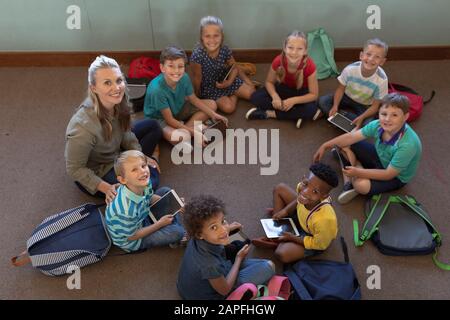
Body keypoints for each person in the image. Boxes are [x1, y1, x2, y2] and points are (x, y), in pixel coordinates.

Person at [65, 55, 162, 204]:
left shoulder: (118, 99)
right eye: (107, 83)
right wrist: (106, 188)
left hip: (116, 150)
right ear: (94, 88)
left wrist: (140, 157)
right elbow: (75, 168)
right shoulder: (82, 127)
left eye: (118, 80)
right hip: (99, 170)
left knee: (154, 127)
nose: (116, 88)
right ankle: (150, 161)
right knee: (149, 183)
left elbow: (126, 132)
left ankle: (138, 165)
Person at [314, 93, 422, 204]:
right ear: (378, 113)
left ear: (405, 117)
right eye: (384, 114)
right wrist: (325, 145)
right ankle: (352, 170)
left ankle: (351, 172)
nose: (387, 119)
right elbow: (351, 137)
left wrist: (359, 172)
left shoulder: (408, 145)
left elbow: (388, 174)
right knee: (344, 143)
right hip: (380, 157)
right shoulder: (377, 125)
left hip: (396, 177)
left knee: (362, 186)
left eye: (394, 115)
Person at [177, 195, 275, 300]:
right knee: (269, 266)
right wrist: (238, 259)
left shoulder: (197, 236)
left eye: (223, 221)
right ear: (200, 234)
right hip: (208, 295)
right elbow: (225, 289)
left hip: (188, 286)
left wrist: (229, 227)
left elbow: (219, 230)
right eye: (214, 227)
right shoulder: (210, 264)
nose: (224, 230)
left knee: (262, 264)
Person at [143, 45, 228, 149]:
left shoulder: (184, 77)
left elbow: (193, 99)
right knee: (180, 136)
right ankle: (191, 130)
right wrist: (193, 133)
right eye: (171, 66)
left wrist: (213, 114)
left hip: (178, 108)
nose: (176, 71)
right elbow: (169, 119)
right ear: (162, 68)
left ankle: (186, 127)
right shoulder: (157, 90)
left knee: (212, 104)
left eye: (180, 66)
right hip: (160, 118)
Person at [252, 163, 339, 263]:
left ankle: (277, 241)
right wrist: (285, 211)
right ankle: (278, 236)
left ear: (324, 196)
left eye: (315, 191)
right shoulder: (303, 190)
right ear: (304, 178)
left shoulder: (325, 220)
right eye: (306, 184)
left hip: (311, 237)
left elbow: (319, 244)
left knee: (282, 254)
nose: (305, 191)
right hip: (301, 217)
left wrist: (293, 238)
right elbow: (298, 199)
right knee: (280, 188)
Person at [105, 150, 185, 252]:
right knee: (177, 232)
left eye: (143, 166)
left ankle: (170, 224)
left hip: (141, 216)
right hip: (134, 240)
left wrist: (170, 202)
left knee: (166, 191)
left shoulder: (144, 182)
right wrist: (159, 224)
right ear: (123, 180)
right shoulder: (125, 210)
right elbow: (132, 236)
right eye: (134, 170)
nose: (143, 171)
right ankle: (175, 234)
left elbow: (149, 197)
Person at [246, 30, 320, 128]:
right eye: (290, 47)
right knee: (255, 97)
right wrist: (275, 96)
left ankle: (269, 114)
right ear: (284, 48)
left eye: (299, 49)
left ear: (305, 51)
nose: (294, 52)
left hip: (301, 93)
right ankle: (295, 114)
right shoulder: (278, 61)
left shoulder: (310, 66)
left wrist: (293, 101)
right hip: (283, 89)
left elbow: (314, 95)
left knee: (311, 109)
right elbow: (269, 82)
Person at [317, 38, 389, 129]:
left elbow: (375, 106)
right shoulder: (350, 70)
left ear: (382, 61)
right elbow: (340, 89)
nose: (371, 59)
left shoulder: (382, 80)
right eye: (368, 54)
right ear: (361, 55)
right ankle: (346, 121)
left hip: (365, 104)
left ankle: (340, 117)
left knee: (368, 124)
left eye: (377, 57)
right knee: (323, 101)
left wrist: (362, 117)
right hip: (346, 96)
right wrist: (335, 106)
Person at [190, 16, 255, 114]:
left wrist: (229, 82)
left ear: (222, 36)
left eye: (216, 35)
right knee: (229, 108)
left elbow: (234, 67)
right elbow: (197, 78)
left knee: (252, 93)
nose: (212, 40)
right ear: (201, 38)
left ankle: (238, 85)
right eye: (207, 36)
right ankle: (234, 95)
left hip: (224, 78)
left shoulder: (225, 49)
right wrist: (197, 96)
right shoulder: (197, 55)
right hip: (209, 87)